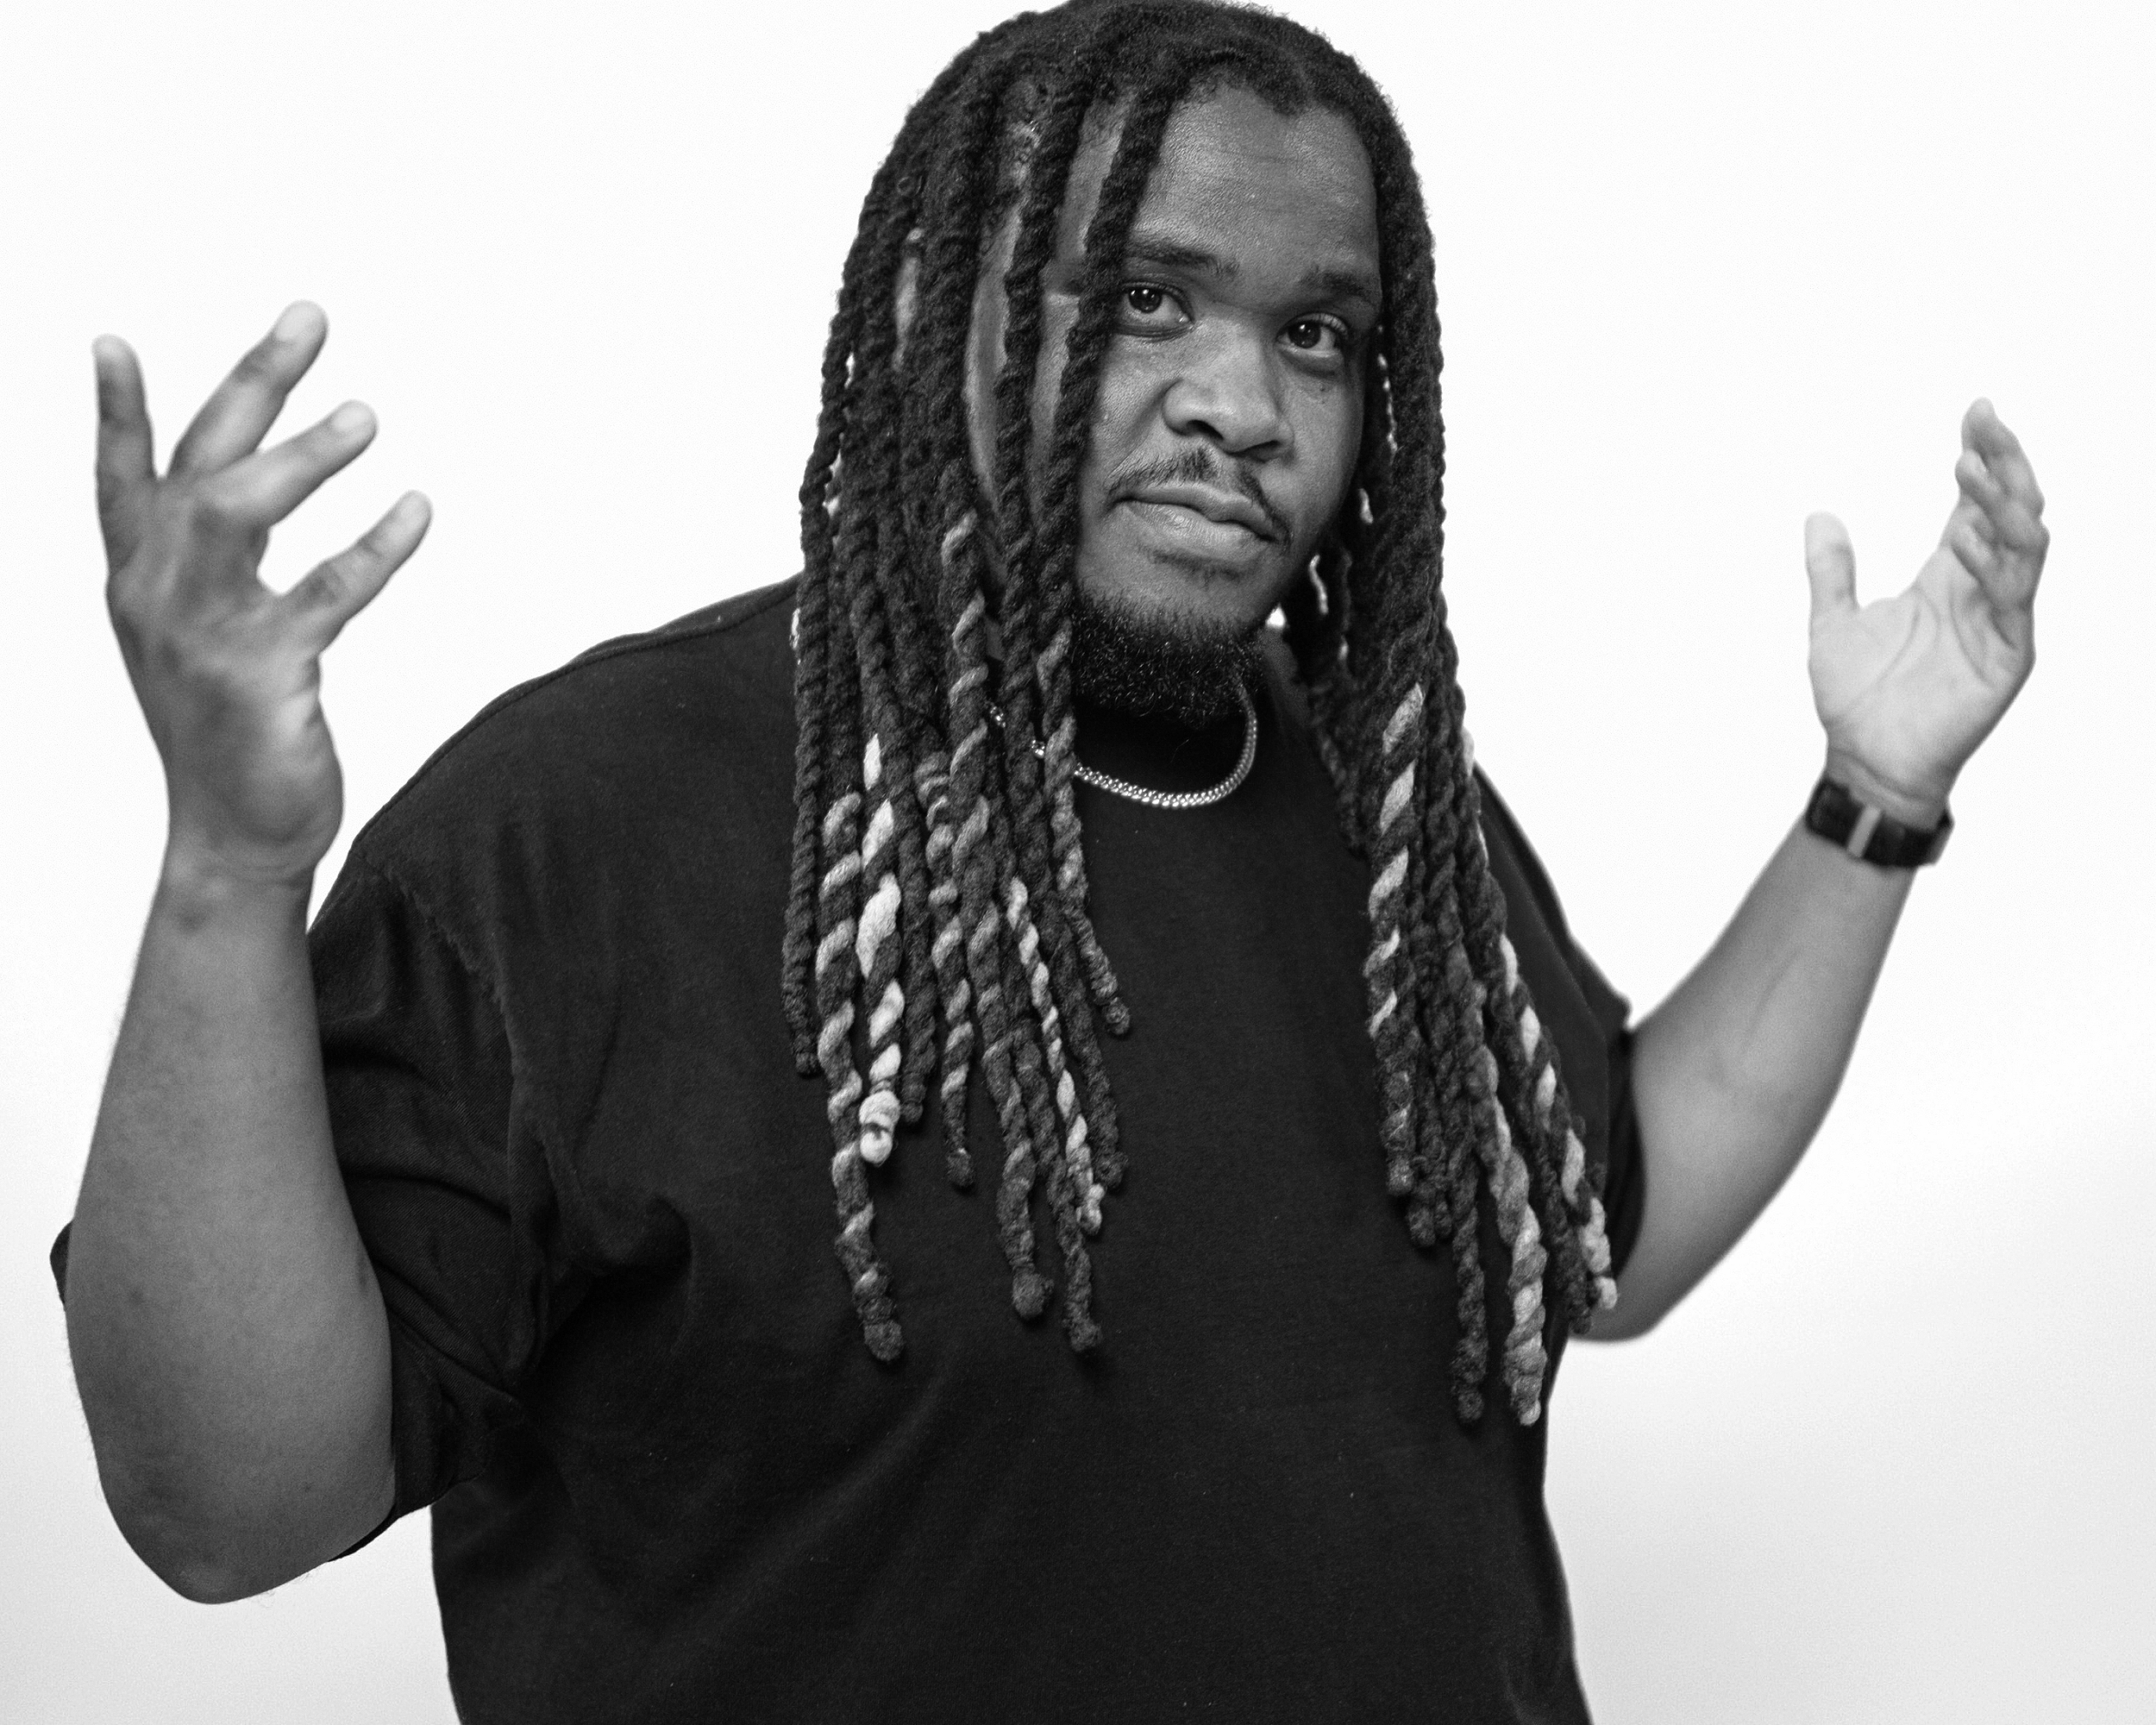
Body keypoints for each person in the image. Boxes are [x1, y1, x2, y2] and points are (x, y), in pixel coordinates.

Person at [55, 1, 2049, 1718]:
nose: (1237, 405)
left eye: (1319, 334)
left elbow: (1597, 1225)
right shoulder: (590, 824)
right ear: (940, 309)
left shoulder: (1372, 805)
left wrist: (1868, 802)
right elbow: (228, 1502)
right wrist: (229, 868)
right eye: (1142, 299)